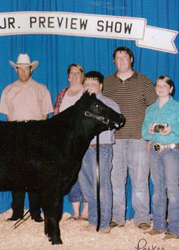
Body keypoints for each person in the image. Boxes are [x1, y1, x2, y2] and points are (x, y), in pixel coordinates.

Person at [102, 47, 157, 229]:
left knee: (140, 180)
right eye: (118, 57)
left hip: (139, 138)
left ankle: (142, 217)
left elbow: (154, 108)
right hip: (114, 140)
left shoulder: (144, 81)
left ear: (131, 59)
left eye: (125, 57)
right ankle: (117, 217)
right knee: (115, 180)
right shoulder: (107, 82)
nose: (122, 60)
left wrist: (151, 136)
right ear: (113, 62)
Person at [0, 53, 53, 223]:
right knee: (16, 174)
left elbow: (46, 114)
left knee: (36, 174)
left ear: (31, 69)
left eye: (26, 69)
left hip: (36, 134)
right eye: (19, 69)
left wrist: (39, 134)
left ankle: (36, 212)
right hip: (15, 134)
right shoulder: (8, 90)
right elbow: (7, 115)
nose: (23, 72)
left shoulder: (41, 89)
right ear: (16, 70)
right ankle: (17, 212)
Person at [142, 75, 179, 239]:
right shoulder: (150, 109)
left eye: (164, 85)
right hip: (155, 152)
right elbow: (143, 133)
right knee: (158, 190)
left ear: (171, 89)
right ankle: (158, 225)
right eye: (158, 85)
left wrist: (172, 130)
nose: (161, 88)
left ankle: (174, 229)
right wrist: (149, 132)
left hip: (172, 150)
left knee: (172, 189)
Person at [79, 71, 121, 233]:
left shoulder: (109, 104)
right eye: (87, 83)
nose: (89, 86)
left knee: (101, 186)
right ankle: (93, 220)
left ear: (101, 86)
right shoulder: (80, 105)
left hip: (101, 148)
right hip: (83, 149)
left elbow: (117, 122)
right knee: (87, 186)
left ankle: (104, 224)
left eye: (93, 83)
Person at [53, 63, 88, 220]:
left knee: (86, 173)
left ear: (82, 76)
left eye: (78, 73)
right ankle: (75, 211)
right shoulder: (62, 94)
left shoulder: (87, 93)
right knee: (70, 174)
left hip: (83, 140)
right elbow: (55, 117)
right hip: (65, 142)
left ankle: (85, 211)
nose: (75, 76)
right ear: (68, 76)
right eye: (72, 73)